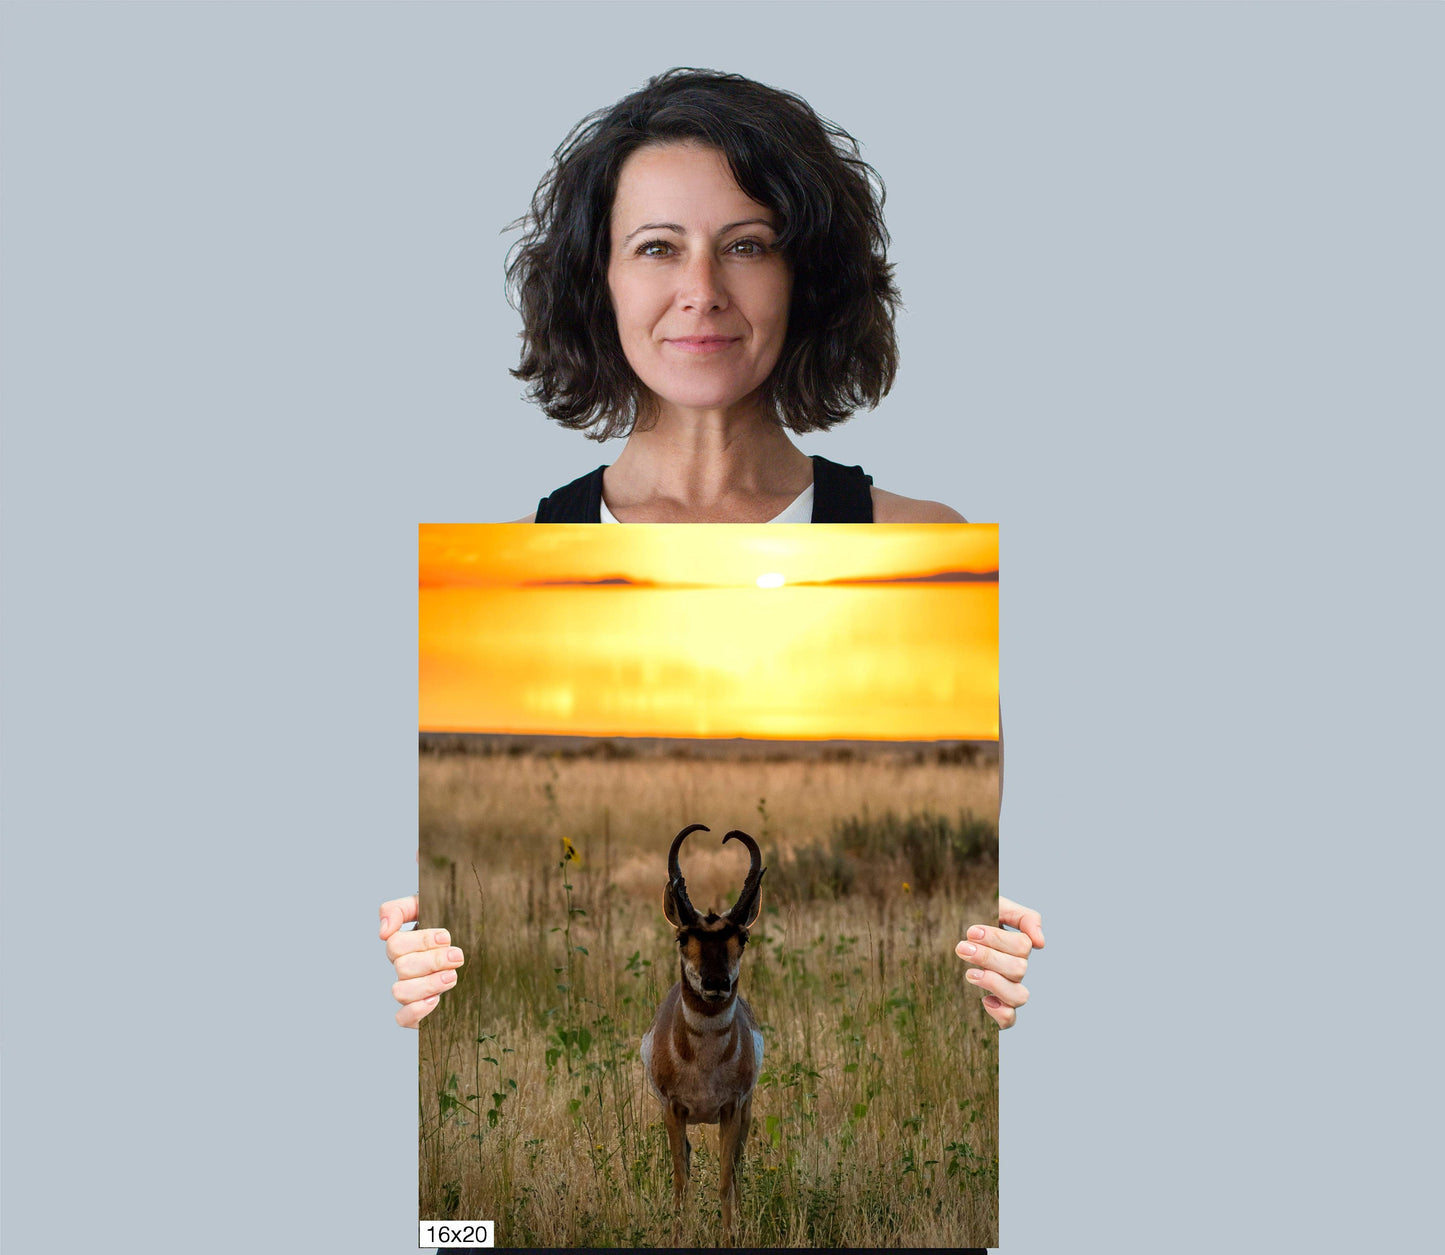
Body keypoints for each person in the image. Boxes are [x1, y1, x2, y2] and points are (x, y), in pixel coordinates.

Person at [385, 69, 1044, 1049]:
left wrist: (1001, 964)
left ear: (805, 275)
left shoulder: (921, 548)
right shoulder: (495, 577)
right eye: (657, 248)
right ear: (596, 279)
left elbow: (962, 889)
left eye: (746, 246)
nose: (700, 291)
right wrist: (420, 980)